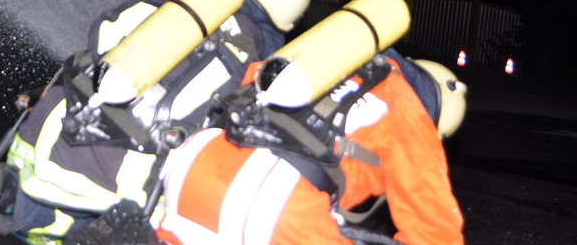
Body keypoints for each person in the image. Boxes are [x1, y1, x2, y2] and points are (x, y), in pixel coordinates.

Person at [0, 0, 314, 245]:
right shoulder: (260, 60)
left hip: (55, 134)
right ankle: (110, 235)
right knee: (153, 220)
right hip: (129, 176)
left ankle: (4, 189)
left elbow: (100, 33)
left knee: (52, 204)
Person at [147, 53, 467, 245]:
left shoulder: (333, 58)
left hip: (195, 164)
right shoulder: (407, 107)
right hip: (273, 200)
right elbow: (434, 231)